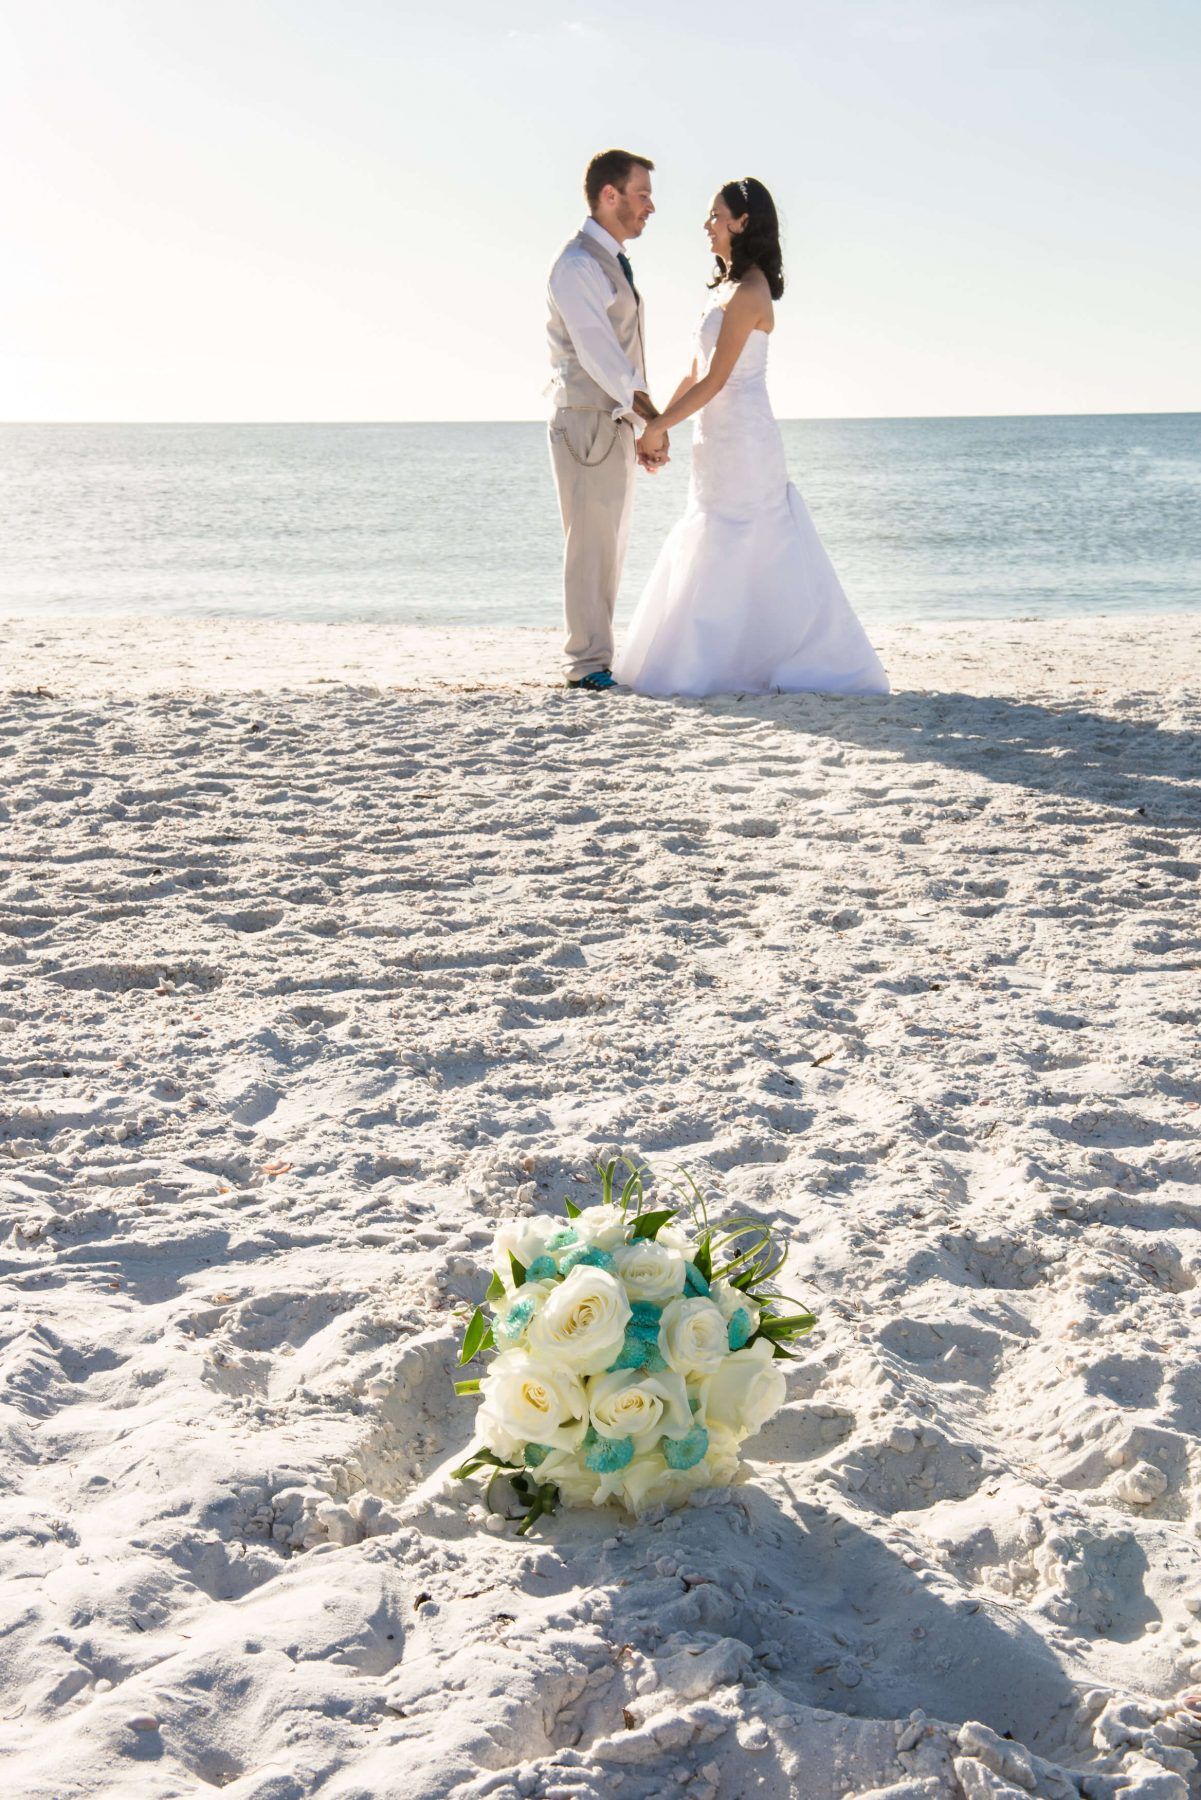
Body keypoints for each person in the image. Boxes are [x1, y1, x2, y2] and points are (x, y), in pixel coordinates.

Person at [613, 179, 889, 699]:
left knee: (747, 538)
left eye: (716, 215)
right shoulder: (720, 291)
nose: (708, 225)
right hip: (711, 438)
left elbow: (719, 380)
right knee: (711, 531)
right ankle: (710, 661)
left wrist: (658, 427)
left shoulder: (751, 291)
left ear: (743, 222)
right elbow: (695, 376)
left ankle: (756, 660)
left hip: (744, 437)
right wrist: (656, 425)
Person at [546, 149, 668, 693]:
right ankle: (586, 665)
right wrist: (654, 421)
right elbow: (602, 357)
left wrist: (641, 425)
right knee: (591, 544)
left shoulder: (610, 261)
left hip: (610, 420)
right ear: (609, 195)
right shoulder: (576, 265)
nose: (651, 206)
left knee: (609, 545)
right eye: (642, 194)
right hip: (588, 419)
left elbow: (625, 360)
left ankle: (595, 660)